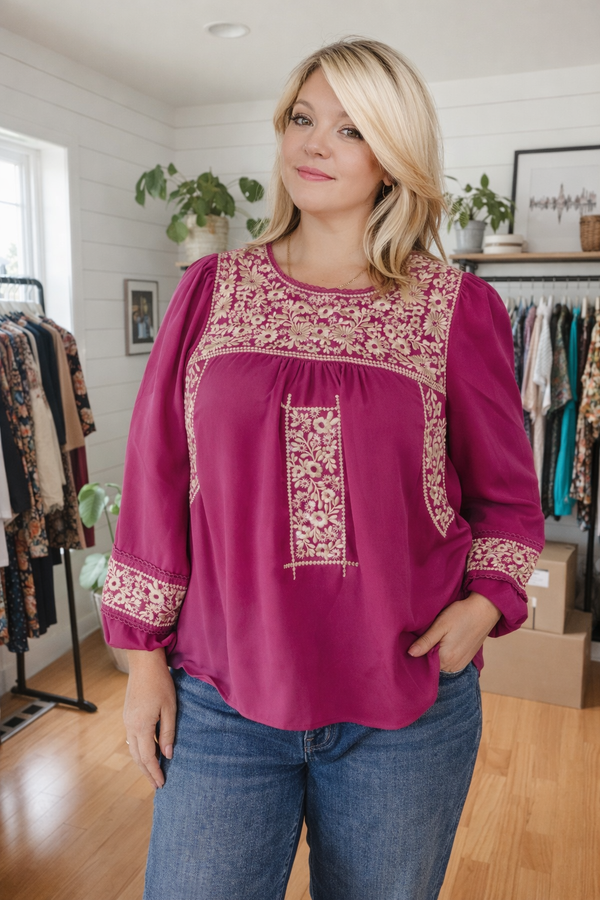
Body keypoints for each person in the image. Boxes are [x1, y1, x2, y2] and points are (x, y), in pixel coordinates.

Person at [101, 37, 544, 900]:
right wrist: (145, 662)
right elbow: (156, 475)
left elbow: (507, 498)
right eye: (302, 119)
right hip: (223, 697)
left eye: (350, 129)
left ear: (392, 158)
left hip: (406, 702)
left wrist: (486, 606)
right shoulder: (210, 291)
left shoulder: (457, 308)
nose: (313, 144)